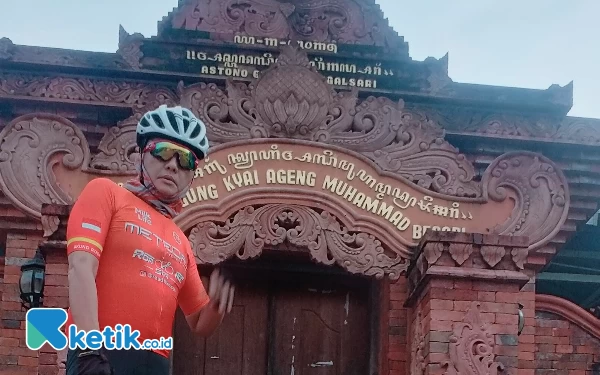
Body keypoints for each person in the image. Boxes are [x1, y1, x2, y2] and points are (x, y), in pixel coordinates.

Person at [64, 105, 235, 375]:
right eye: (163, 151)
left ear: (192, 174)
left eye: (186, 160)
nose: (172, 165)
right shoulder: (106, 193)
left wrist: (216, 306)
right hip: (100, 353)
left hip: (155, 364)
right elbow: (81, 268)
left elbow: (199, 323)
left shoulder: (180, 240)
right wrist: (88, 348)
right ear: (142, 154)